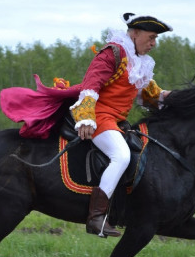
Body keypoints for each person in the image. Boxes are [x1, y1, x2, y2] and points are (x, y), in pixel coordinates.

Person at [71, 13, 173, 237]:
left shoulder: (140, 62)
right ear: (135, 33)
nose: (154, 43)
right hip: (99, 117)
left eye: (156, 39)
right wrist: (85, 117)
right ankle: (96, 219)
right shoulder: (113, 53)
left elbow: (151, 96)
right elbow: (91, 84)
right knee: (121, 156)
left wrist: (185, 99)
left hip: (117, 121)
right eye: (151, 37)